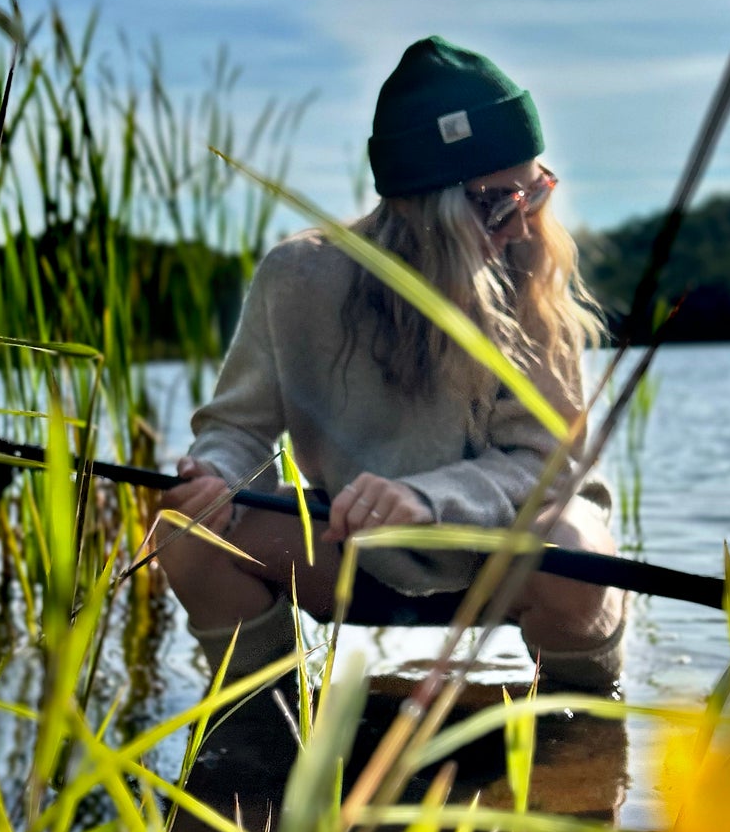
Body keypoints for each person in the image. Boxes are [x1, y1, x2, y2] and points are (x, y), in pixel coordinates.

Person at [161, 36, 626, 693]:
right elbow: (238, 428)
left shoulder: (527, 274)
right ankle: (260, 737)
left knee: (576, 556)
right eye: (498, 202)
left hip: (504, 547)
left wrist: (425, 499)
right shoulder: (298, 276)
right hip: (354, 552)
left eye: (536, 192)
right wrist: (215, 475)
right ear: (420, 204)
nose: (523, 226)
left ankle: (581, 742)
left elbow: (543, 464)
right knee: (185, 535)